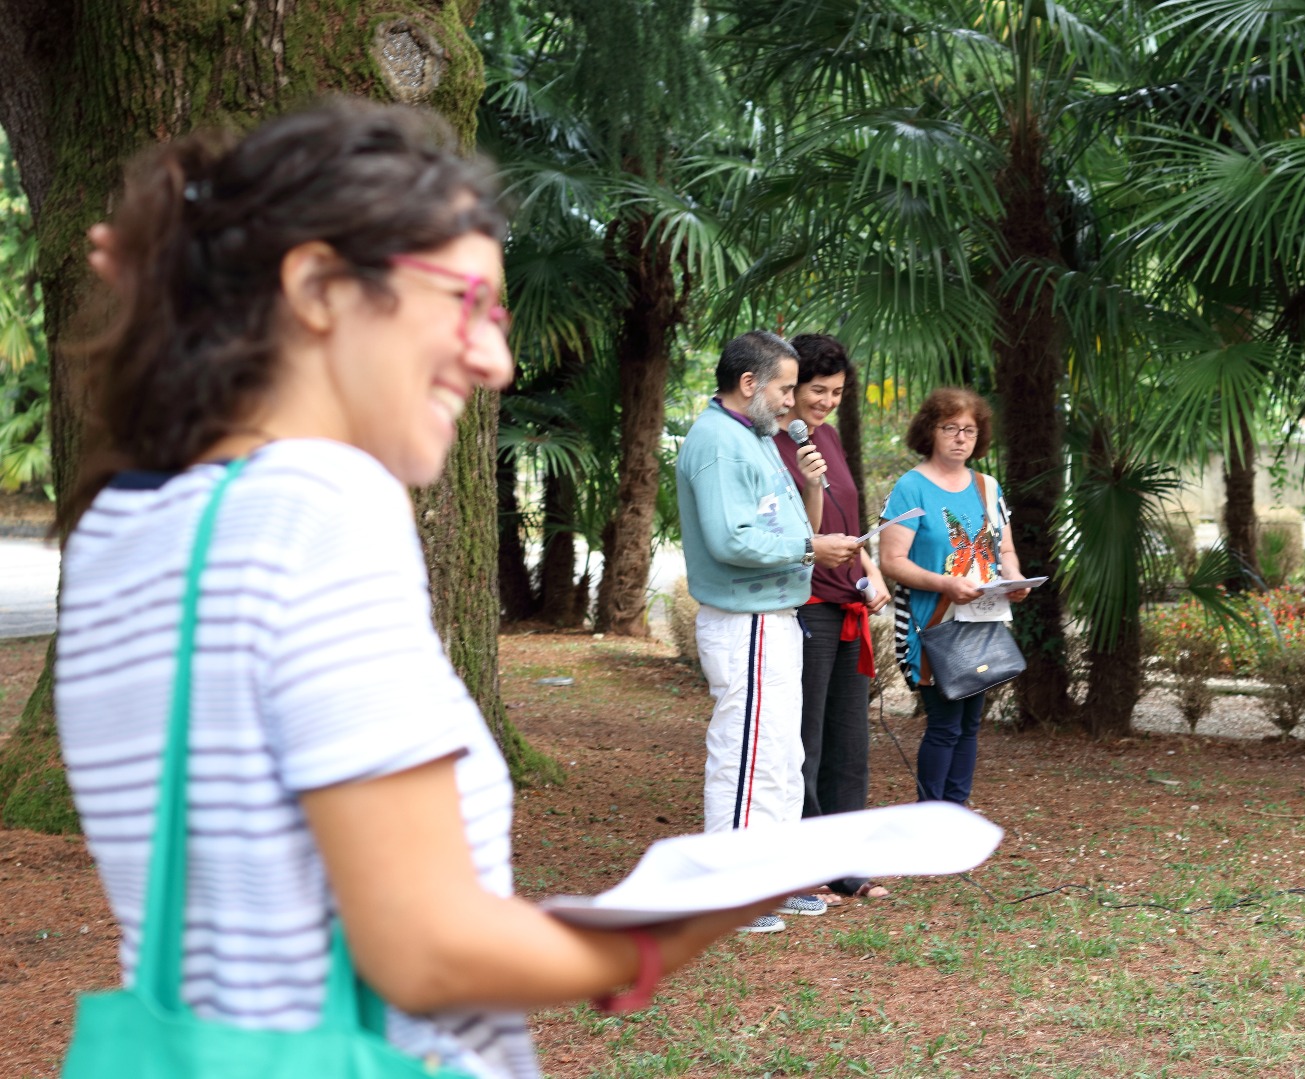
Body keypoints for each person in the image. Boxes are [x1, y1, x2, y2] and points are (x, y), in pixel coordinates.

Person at [53, 100, 777, 1079]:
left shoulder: (124, 523)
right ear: (316, 284)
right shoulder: (324, 498)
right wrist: (652, 941)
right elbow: (425, 950)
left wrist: (187, 286)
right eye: (467, 304)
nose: (496, 359)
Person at [674, 330, 861, 932]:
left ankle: (771, 882)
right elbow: (733, 542)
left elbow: (787, 534)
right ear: (749, 383)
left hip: (780, 616)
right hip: (745, 620)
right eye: (784, 387)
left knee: (782, 755)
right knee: (746, 751)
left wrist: (810, 489)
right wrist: (812, 545)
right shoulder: (719, 444)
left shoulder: (756, 438)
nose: (791, 400)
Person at [773, 334, 892, 903]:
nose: (825, 402)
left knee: (850, 742)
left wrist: (872, 568)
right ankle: (802, 866)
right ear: (790, 386)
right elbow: (796, 528)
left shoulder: (828, 438)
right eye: (817, 390)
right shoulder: (771, 442)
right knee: (807, 741)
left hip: (850, 604)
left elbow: (850, 517)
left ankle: (848, 866)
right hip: (810, 608)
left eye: (837, 393)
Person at [877, 388, 1031, 806]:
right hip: (934, 624)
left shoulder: (987, 487)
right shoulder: (911, 487)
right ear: (931, 431)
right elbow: (891, 561)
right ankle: (931, 818)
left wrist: (1014, 579)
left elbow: (1006, 550)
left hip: (982, 623)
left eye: (969, 429)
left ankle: (957, 811)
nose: (961, 437)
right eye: (951, 428)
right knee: (944, 724)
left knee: (969, 725)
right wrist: (946, 584)